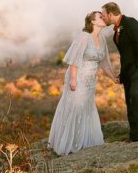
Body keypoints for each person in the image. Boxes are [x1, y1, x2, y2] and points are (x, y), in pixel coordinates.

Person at [48, 10, 119, 155]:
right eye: (100, 17)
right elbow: (74, 60)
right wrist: (73, 80)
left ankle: (85, 142)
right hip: (78, 78)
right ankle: (69, 143)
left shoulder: (102, 39)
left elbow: (105, 62)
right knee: (75, 107)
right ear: (92, 21)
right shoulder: (84, 37)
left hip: (91, 81)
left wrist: (114, 78)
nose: (103, 18)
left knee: (86, 108)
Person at [101, 2, 138, 142]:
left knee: (135, 95)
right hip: (128, 72)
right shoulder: (116, 32)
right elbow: (125, 55)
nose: (103, 18)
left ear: (111, 14)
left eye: (104, 15)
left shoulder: (131, 23)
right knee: (129, 103)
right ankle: (135, 136)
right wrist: (123, 74)